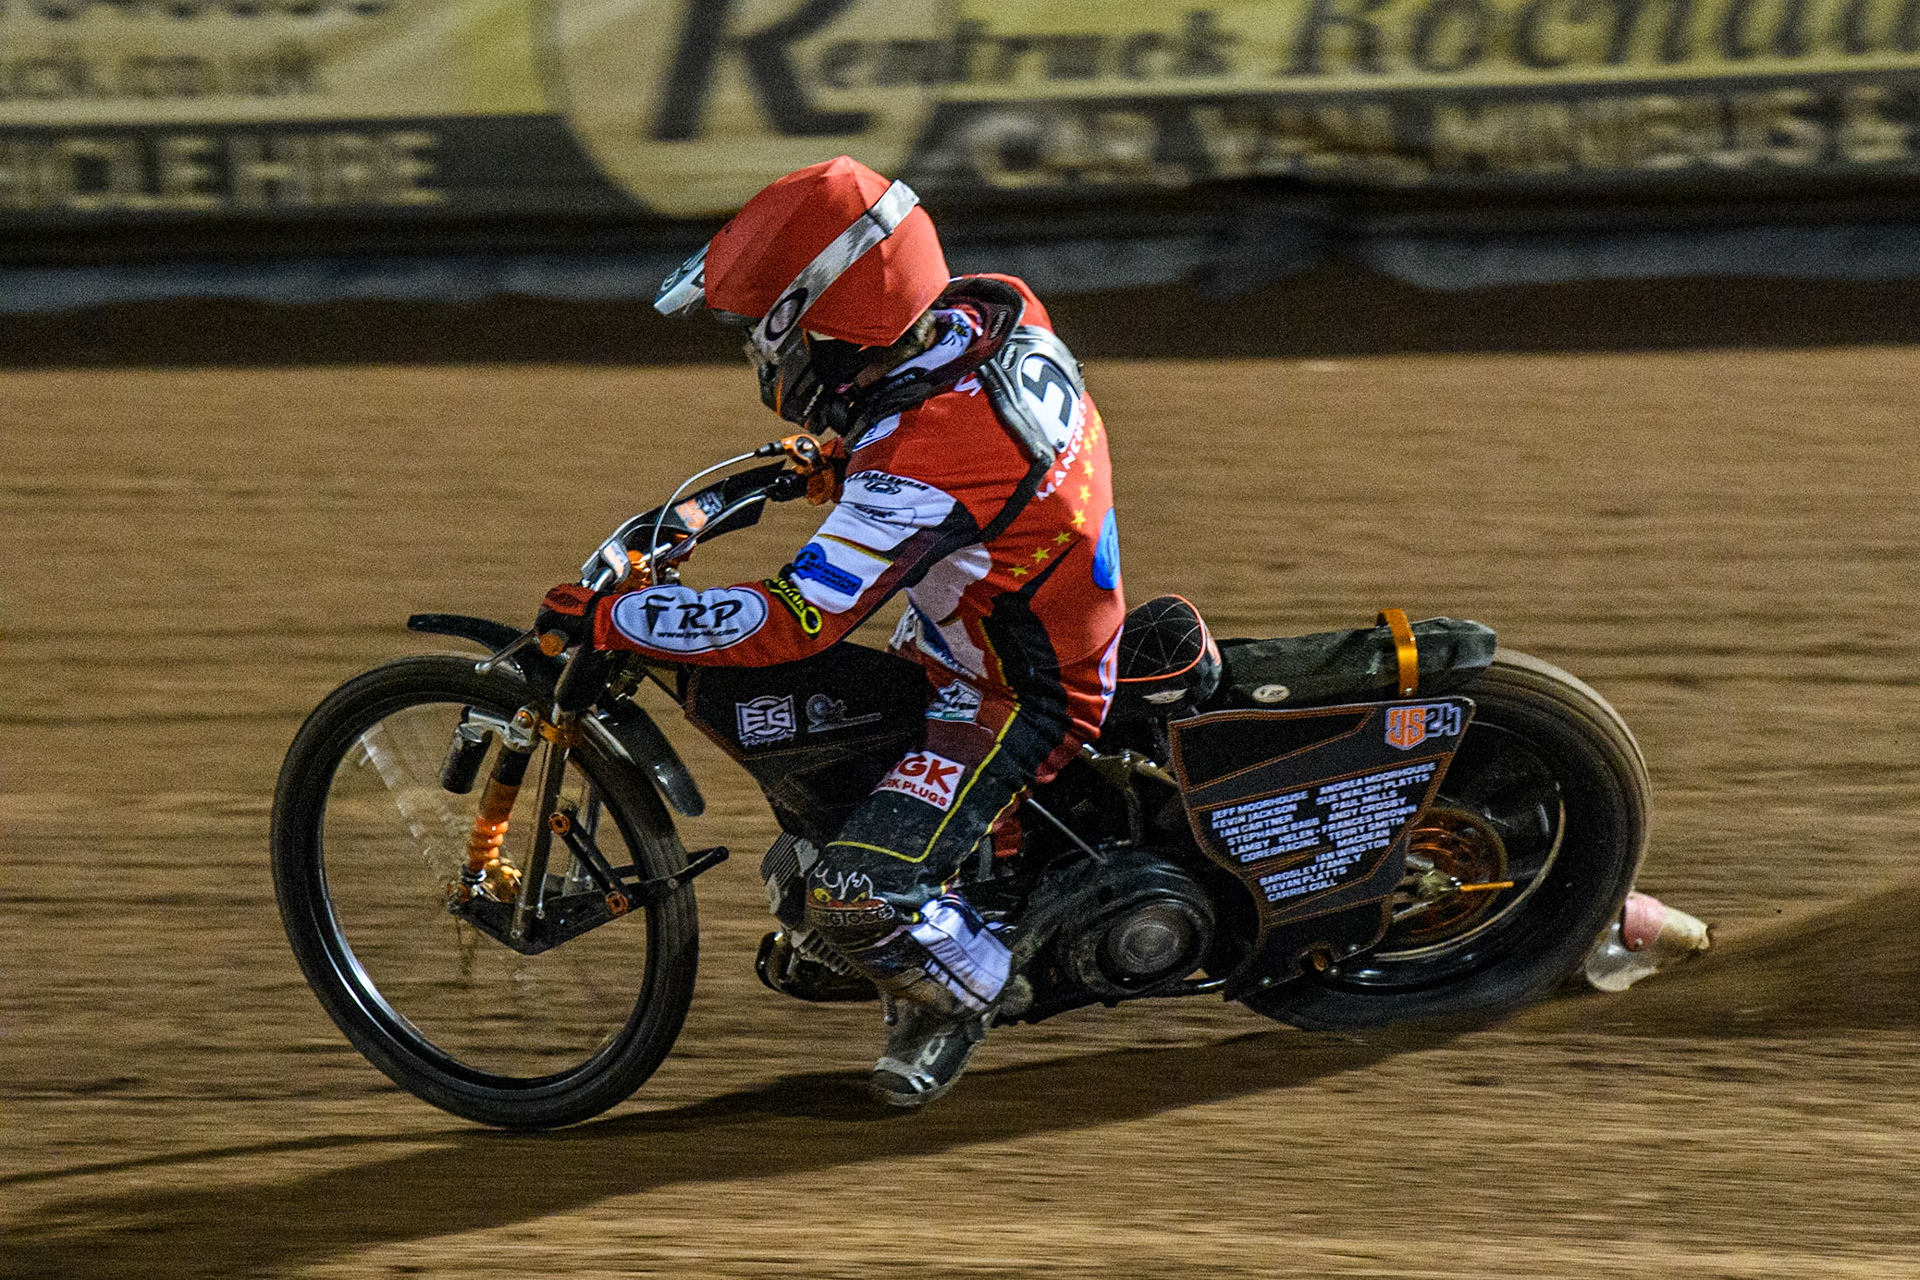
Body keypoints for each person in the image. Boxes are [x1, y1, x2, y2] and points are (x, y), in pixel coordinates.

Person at [537, 156, 1125, 1107]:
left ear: (821, 322)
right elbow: (945, 448)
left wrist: (618, 619)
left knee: (850, 894)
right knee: (806, 824)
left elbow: (794, 619)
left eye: (764, 331)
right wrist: (843, 451)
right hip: (983, 634)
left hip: (1016, 696)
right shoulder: (991, 313)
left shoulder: (927, 457)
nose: (757, 357)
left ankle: (968, 992)